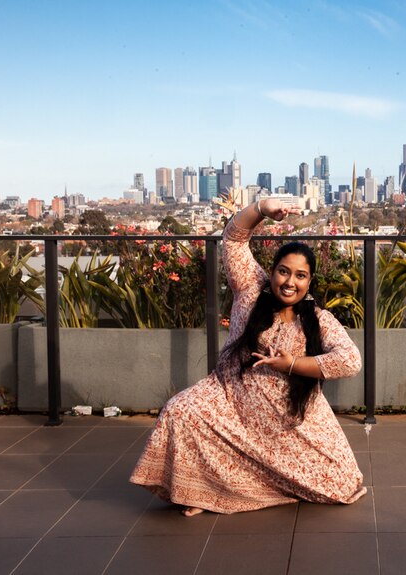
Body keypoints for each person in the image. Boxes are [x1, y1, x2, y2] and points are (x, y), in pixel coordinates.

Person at [130, 198, 366, 517]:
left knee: (340, 483)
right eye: (283, 272)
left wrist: (292, 365)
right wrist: (261, 208)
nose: (289, 282)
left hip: (288, 418)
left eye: (300, 276)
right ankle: (203, 489)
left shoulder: (318, 319)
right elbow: (234, 238)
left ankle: (266, 485)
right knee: (178, 411)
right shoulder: (250, 290)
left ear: (309, 281)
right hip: (229, 399)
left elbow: (350, 360)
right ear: (271, 273)